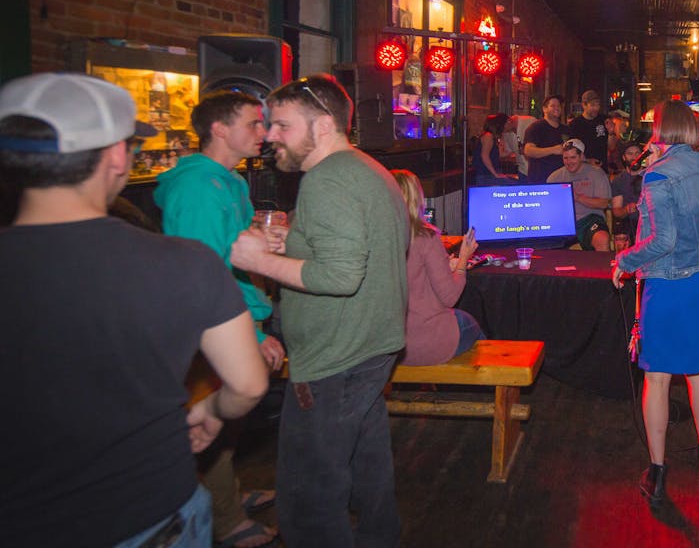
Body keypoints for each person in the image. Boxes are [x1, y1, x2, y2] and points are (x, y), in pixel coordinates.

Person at [0, 73, 267, 547]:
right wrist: (210, 408)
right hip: (147, 513)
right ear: (117, 156)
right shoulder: (183, 263)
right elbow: (247, 384)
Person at [230, 73, 407, 547]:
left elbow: (341, 276)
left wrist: (258, 260)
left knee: (309, 501)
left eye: (282, 125)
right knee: (368, 475)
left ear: (324, 125)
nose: (269, 136)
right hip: (372, 349)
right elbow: (358, 248)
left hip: (335, 361)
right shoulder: (368, 169)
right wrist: (295, 241)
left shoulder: (327, 181)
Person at [154, 90, 284, 548]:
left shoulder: (230, 182)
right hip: (212, 325)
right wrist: (250, 332)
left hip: (239, 312)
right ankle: (224, 521)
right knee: (210, 415)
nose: (265, 134)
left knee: (231, 416)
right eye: (254, 124)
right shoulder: (197, 187)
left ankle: (227, 494)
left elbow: (235, 252)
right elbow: (205, 272)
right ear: (220, 130)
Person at [612, 100, 699, 507]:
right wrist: (652, 164)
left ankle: (657, 471)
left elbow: (661, 240)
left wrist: (623, 261)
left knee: (657, 378)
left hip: (669, 282)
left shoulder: (659, 175)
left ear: (660, 129)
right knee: (697, 372)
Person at [391, 170, 486, 364]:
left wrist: (445, 265)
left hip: (390, 342)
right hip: (424, 340)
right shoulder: (425, 237)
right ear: (417, 198)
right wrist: (463, 260)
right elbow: (450, 297)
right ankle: (493, 379)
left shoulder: (376, 236)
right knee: (472, 324)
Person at [548, 138, 612, 251]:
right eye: (565, 158)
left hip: (589, 219)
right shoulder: (554, 177)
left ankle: (602, 268)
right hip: (563, 221)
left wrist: (577, 197)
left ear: (582, 156)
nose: (569, 162)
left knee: (602, 238)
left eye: (573, 157)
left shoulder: (597, 173)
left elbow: (603, 203)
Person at [522, 94, 568, 183]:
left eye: (559, 106)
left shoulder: (566, 129)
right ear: (544, 109)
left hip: (562, 179)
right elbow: (528, 151)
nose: (557, 108)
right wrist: (553, 150)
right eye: (553, 106)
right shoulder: (536, 127)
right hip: (540, 179)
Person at [609, 141, 645, 250]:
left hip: (648, 220)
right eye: (630, 153)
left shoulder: (649, 175)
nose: (634, 156)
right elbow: (616, 211)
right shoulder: (618, 180)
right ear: (624, 157)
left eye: (637, 153)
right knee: (621, 234)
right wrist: (626, 209)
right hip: (628, 222)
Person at [474, 112, 518, 186]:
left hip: (490, 174)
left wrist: (514, 152)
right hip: (486, 175)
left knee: (514, 182)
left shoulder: (494, 137)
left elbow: (500, 154)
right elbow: (484, 156)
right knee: (515, 185)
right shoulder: (488, 136)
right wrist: (495, 174)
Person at [567, 89, 608, 166]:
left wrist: (612, 132)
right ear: (584, 105)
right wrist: (587, 160)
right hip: (583, 168)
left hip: (602, 169)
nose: (596, 108)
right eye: (593, 105)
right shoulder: (575, 124)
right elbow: (571, 150)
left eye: (598, 105)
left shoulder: (603, 120)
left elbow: (610, 146)